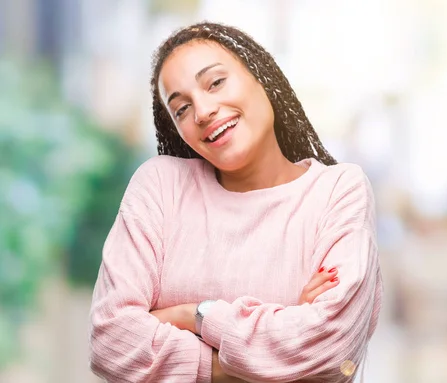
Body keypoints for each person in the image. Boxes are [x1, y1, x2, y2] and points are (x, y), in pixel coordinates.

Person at [88, 21, 382, 382]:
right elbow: (110, 343)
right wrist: (278, 341)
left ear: (262, 77)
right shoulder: (161, 186)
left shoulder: (338, 191)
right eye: (181, 109)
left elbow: (330, 352)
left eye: (215, 83)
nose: (203, 111)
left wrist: (193, 315)